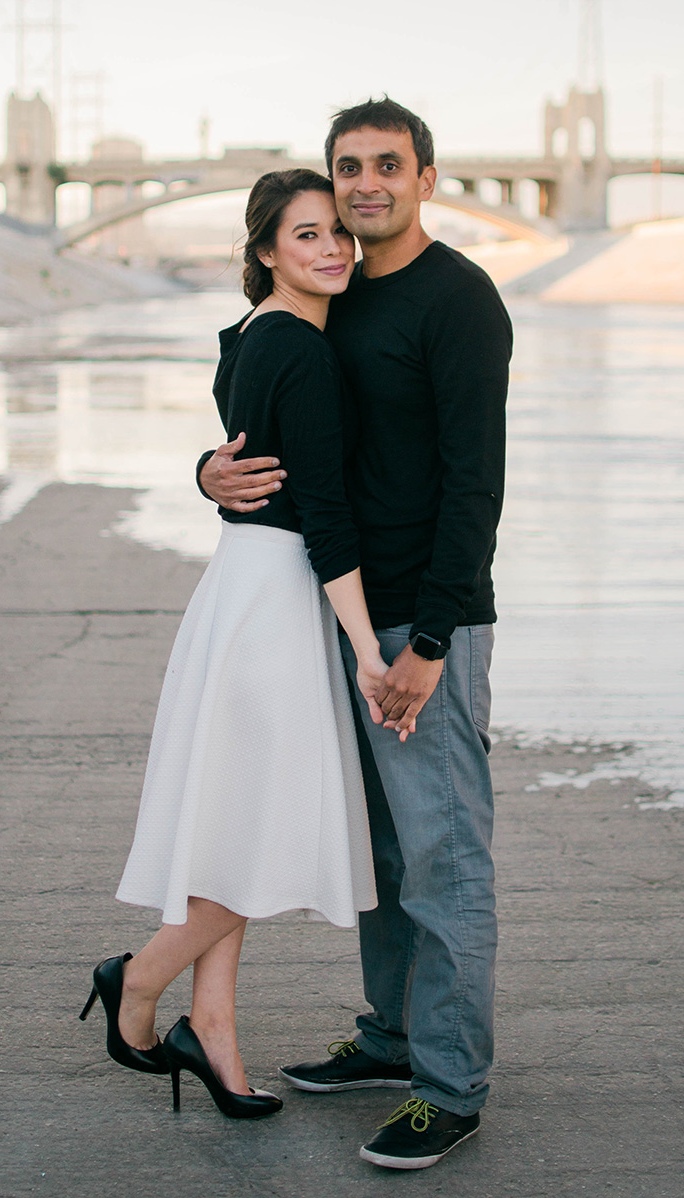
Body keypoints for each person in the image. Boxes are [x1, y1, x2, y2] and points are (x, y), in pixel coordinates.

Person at [198, 98, 512, 1169]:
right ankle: (390, 1035)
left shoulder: (459, 302)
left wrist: (428, 639)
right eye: (349, 168)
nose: (365, 183)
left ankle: (449, 1083)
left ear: (426, 175)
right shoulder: (334, 294)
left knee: (442, 852)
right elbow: (274, 427)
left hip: (419, 621)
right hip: (336, 606)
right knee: (381, 848)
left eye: (387, 164)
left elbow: (476, 484)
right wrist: (208, 473)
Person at [81, 167, 389, 1121]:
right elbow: (326, 515)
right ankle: (138, 979)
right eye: (306, 236)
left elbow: (249, 458)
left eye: (337, 233)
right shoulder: (301, 348)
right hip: (278, 599)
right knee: (273, 829)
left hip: (243, 584)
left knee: (235, 823)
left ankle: (212, 1029)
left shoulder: (250, 336)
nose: (332, 248)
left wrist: (206, 474)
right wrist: (369, 651)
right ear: (265, 254)